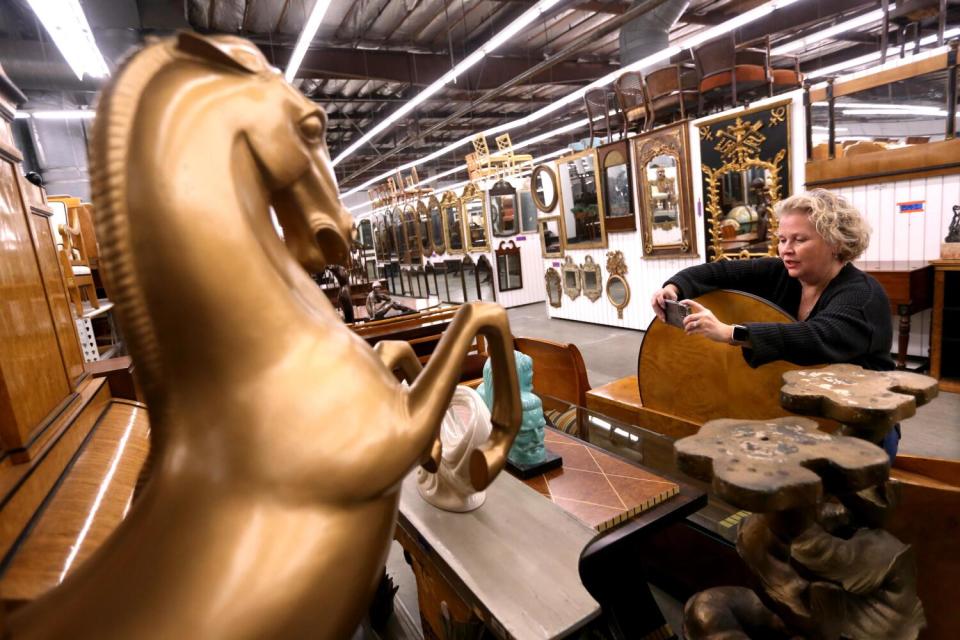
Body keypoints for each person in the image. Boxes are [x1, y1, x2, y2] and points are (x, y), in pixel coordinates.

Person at [650, 189, 901, 458]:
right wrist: (674, 288)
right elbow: (719, 271)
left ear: (835, 243)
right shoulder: (782, 273)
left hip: (859, 424)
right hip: (808, 413)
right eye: (782, 239)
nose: (786, 250)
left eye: (799, 240)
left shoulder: (862, 295)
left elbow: (818, 336)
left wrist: (730, 332)